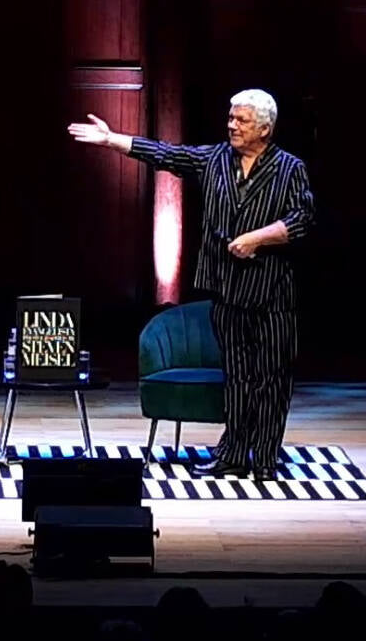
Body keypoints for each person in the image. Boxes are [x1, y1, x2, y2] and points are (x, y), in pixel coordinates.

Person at [68, 89, 314, 479]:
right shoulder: (215, 159)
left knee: (271, 379)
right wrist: (113, 139)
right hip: (227, 289)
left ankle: (265, 460)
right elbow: (167, 154)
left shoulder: (289, 169)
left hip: (273, 294)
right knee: (236, 377)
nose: (232, 125)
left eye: (242, 120)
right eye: (231, 118)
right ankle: (233, 456)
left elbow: (303, 220)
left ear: (265, 128)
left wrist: (257, 238)